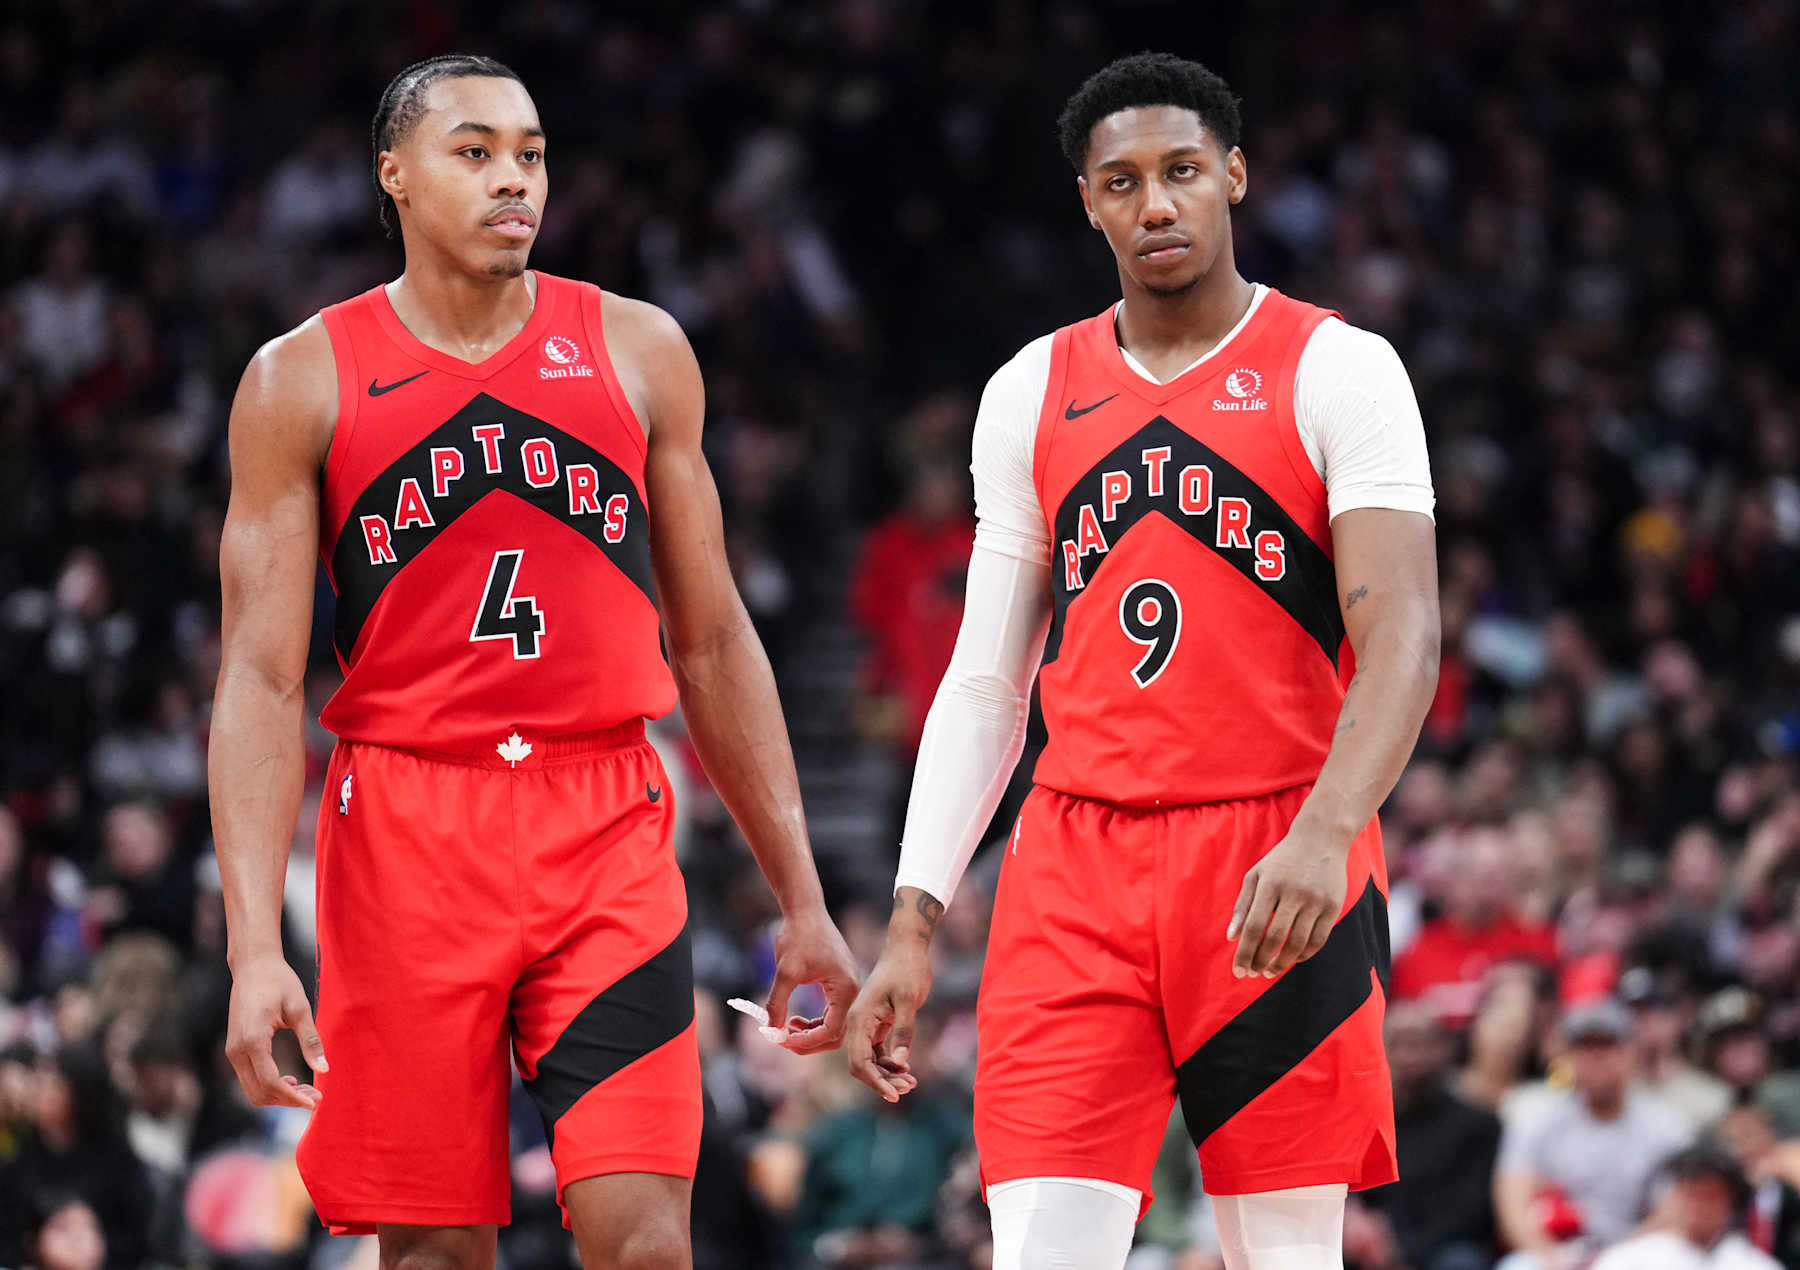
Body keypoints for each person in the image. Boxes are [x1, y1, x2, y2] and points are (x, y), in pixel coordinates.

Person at [207, 54, 858, 1270]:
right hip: (404, 832)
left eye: (531, 154)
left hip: (604, 818)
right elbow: (259, 676)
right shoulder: (300, 376)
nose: (514, 178)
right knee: (434, 1252)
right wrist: (253, 950)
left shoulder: (639, 347)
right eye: (475, 152)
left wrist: (804, 898)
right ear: (394, 175)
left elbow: (713, 637)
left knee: (647, 1242)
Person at [845, 52, 1440, 1270]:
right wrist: (912, 918)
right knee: (1041, 1249)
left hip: (1275, 842)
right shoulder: (1031, 388)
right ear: (1089, 201)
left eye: (1181, 172)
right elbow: (985, 680)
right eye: (1122, 181)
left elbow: (1407, 635)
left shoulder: (1339, 367)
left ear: (1234, 176)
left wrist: (1328, 831)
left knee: (1285, 1253)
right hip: (1076, 860)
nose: (1155, 203)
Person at [1493, 1000, 1693, 1270]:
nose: (1595, 1059)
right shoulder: (1536, 1115)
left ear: (1631, 1053)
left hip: (1634, 1253)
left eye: (1607, 1047)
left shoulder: (1666, 1126)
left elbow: (1674, 1213)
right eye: (1585, 1048)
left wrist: (1613, 1259)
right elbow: (1513, 1203)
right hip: (1556, 1252)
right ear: (1567, 1057)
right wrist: (1549, 1255)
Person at [1589, 1144, 1779, 1270]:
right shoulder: (1629, 1259)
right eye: (1693, 1196)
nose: (1701, 1207)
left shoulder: (1754, 1264)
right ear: (1675, 1197)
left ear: (1731, 1203)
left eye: (1711, 1197)